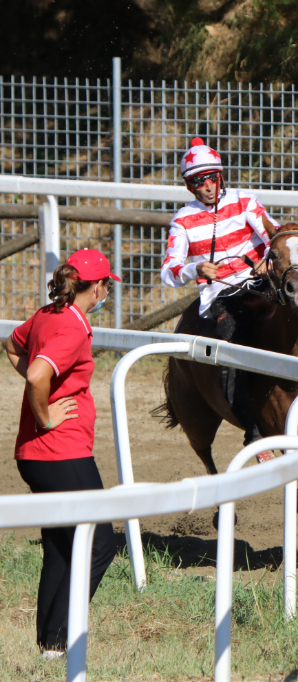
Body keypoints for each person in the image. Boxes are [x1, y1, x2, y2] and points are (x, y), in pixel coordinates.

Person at [160, 137, 298, 445]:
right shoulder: (182, 220)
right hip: (222, 297)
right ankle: (251, 427)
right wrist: (194, 270)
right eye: (198, 181)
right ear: (189, 185)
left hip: (262, 287)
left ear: (219, 176)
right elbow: (169, 272)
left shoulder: (245, 200)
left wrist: (268, 261)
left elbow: (275, 237)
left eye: (211, 177)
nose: (207, 185)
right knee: (231, 348)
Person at [4, 249, 120, 659]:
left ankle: (49, 645)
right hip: (60, 451)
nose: (107, 291)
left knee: (60, 544)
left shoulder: (45, 314)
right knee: (100, 543)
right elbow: (36, 372)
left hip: (34, 455)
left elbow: (13, 347)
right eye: (107, 285)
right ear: (99, 286)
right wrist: (46, 413)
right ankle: (65, 636)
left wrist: (44, 395)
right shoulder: (71, 326)